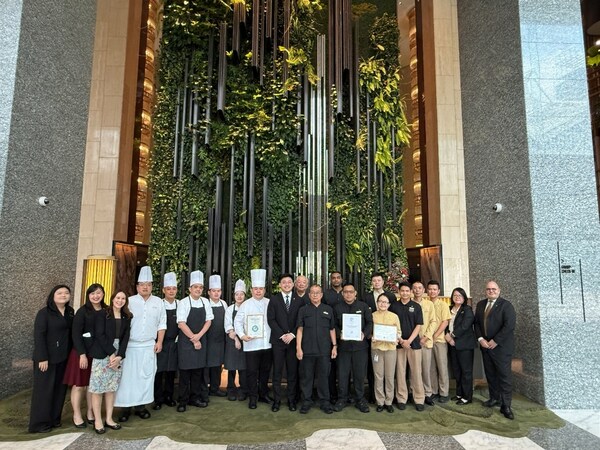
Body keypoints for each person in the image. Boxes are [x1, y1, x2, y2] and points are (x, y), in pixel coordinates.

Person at [115, 266, 166, 422]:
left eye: (148, 284)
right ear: (137, 287)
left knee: (145, 377)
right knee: (127, 378)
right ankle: (125, 408)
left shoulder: (158, 302)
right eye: (142, 284)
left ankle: (141, 407)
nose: (145, 287)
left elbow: (162, 323)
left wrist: (159, 341)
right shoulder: (129, 301)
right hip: (130, 346)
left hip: (149, 346)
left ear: (152, 286)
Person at [29, 285, 75, 433]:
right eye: (59, 293)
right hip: (46, 359)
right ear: (52, 296)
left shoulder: (70, 312)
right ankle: (39, 424)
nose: (63, 295)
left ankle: (54, 419)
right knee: (44, 391)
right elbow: (39, 336)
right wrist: (42, 357)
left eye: (66, 293)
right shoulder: (44, 313)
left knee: (59, 391)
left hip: (64, 357)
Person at [63, 283, 107, 428]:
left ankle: (90, 412)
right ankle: (76, 414)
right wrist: (81, 354)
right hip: (81, 353)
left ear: (103, 294)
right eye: (92, 293)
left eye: (98, 293)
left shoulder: (106, 310)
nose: (96, 296)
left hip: (97, 354)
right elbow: (75, 334)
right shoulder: (82, 311)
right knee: (79, 385)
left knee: (92, 386)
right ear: (88, 295)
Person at [88, 291, 132, 434]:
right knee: (98, 388)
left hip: (118, 355)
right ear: (112, 299)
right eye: (118, 298)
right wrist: (111, 353)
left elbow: (126, 337)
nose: (120, 300)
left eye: (123, 298)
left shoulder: (127, 316)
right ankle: (98, 420)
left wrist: (120, 356)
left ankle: (109, 418)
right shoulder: (103, 314)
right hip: (103, 353)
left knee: (111, 388)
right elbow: (99, 335)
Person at [474, 280, 516, 420]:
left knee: (504, 377)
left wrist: (496, 340)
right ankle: (494, 398)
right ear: (485, 291)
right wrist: (481, 339)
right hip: (486, 347)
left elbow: (509, 325)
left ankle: (506, 405)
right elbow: (477, 324)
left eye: (493, 289)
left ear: (499, 290)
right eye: (488, 289)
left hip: (501, 348)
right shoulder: (480, 304)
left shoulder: (506, 305)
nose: (491, 291)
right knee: (490, 375)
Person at [234, 269, 273, 409]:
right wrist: (242, 335)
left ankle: (263, 394)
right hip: (251, 345)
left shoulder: (270, 302)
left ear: (264, 290)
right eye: (255, 289)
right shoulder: (245, 304)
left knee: (265, 372)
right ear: (251, 290)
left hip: (267, 344)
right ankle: (253, 398)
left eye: (261, 289)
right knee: (251, 372)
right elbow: (237, 321)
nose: (258, 291)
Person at [296, 285, 337, 414]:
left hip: (324, 351)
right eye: (312, 293)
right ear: (309, 295)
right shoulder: (303, 310)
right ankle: (306, 401)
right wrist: (298, 347)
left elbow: (332, 329)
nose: (315, 295)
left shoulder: (328, 309)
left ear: (321, 295)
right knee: (306, 378)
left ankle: (325, 402)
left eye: (317, 293)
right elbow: (300, 329)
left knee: (324, 377)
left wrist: (334, 346)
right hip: (307, 350)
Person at [333, 282, 373, 413]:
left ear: (355, 293)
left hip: (360, 347)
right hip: (343, 347)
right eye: (346, 292)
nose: (348, 294)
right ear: (342, 293)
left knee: (359, 375)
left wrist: (364, 334)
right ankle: (342, 399)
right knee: (342, 374)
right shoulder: (337, 308)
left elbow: (370, 323)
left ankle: (360, 399)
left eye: (351, 292)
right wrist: (339, 334)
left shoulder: (363, 306)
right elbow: (333, 325)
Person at [176, 270, 213, 412]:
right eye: (195, 287)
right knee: (185, 373)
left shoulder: (205, 302)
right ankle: (182, 401)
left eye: (200, 287)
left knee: (198, 372)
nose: (198, 289)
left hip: (201, 340)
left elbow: (209, 321)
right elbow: (181, 323)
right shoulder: (184, 303)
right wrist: (194, 338)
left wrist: (199, 336)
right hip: (186, 343)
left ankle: (195, 398)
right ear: (190, 289)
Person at [267, 273, 304, 412]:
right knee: (277, 372)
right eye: (284, 282)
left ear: (293, 284)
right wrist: (282, 335)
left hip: (293, 342)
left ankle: (291, 400)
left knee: (292, 373)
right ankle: (276, 401)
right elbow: (271, 319)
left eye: (289, 282)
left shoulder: (299, 300)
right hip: (278, 341)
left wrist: (292, 334)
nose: (287, 284)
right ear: (280, 285)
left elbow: (300, 320)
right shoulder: (274, 299)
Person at [389, 282, 425, 411]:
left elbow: (418, 325)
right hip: (398, 344)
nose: (404, 293)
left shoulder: (416, 306)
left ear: (411, 292)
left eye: (407, 291)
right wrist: (401, 340)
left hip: (413, 344)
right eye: (402, 291)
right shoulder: (393, 306)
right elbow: (391, 325)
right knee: (400, 372)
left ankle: (419, 399)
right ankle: (401, 398)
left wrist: (408, 341)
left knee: (416, 372)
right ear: (399, 292)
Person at [362, 272, 396, 403]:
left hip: (389, 343)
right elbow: (365, 318)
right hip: (374, 341)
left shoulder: (391, 296)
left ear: (383, 282)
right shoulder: (366, 297)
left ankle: (389, 399)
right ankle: (374, 396)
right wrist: (369, 334)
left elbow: (394, 319)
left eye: (379, 280)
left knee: (389, 373)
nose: (376, 283)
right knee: (374, 371)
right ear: (371, 282)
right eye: (374, 280)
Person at [445, 287, 475, 405]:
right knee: (456, 370)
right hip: (452, 344)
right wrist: (446, 335)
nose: (457, 297)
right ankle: (459, 393)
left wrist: (452, 336)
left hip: (464, 345)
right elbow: (444, 323)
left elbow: (465, 325)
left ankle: (467, 397)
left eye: (460, 295)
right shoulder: (449, 309)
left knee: (466, 371)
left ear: (464, 298)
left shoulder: (467, 310)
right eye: (455, 295)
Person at [371, 293, 401, 413]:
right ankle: (380, 401)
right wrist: (372, 336)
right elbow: (369, 330)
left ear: (389, 304)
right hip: (376, 349)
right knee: (378, 376)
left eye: (385, 302)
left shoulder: (394, 316)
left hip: (390, 349)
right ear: (377, 303)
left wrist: (396, 338)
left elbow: (399, 332)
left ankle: (389, 401)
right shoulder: (372, 315)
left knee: (389, 376)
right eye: (380, 301)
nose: (383, 304)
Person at [153, 272, 179, 410]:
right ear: (163, 290)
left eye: (173, 289)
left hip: (174, 343)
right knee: (158, 371)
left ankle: (169, 396)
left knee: (171, 371)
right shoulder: (158, 304)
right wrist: (158, 341)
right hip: (160, 342)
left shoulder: (180, 304)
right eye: (168, 289)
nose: (171, 291)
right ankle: (158, 398)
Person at [411, 281, 438, 406]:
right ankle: (414, 392)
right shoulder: (409, 304)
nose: (417, 290)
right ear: (412, 290)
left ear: (423, 290)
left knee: (426, 369)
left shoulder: (429, 304)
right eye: (415, 288)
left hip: (425, 342)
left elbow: (433, 322)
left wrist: (426, 337)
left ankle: (428, 393)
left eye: (419, 288)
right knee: (413, 370)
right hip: (412, 342)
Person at [224, 279, 248, 401]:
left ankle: (243, 390)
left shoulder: (248, 307)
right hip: (232, 341)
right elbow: (229, 327)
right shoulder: (229, 309)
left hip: (246, 341)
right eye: (237, 294)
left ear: (245, 295)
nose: (239, 296)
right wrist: (237, 339)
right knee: (232, 368)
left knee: (243, 368)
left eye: (241, 294)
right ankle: (231, 390)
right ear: (234, 296)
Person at [428, 280, 451, 403]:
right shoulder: (425, 304)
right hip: (427, 341)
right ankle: (434, 391)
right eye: (430, 289)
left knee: (442, 367)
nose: (432, 291)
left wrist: (435, 335)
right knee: (431, 367)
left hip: (439, 340)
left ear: (438, 291)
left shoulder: (443, 305)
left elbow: (445, 322)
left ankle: (444, 392)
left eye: (434, 289)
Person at [206, 274, 228, 397]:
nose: (216, 293)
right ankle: (205, 388)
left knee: (217, 365)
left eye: (218, 291)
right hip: (207, 340)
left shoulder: (224, 304)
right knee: (206, 366)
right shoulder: (205, 303)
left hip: (220, 340)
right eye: (213, 291)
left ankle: (215, 388)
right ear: (209, 292)